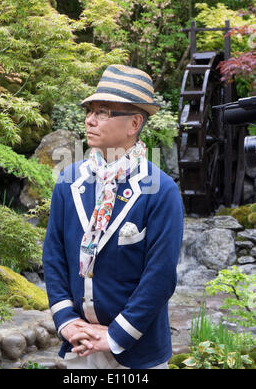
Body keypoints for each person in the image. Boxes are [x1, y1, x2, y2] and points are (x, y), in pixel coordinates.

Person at [42, 64, 184, 369]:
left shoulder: (161, 191)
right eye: (90, 110)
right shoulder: (68, 182)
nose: (89, 120)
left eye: (103, 112)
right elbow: (53, 256)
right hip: (79, 345)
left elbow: (160, 276)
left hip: (138, 351)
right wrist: (66, 320)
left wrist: (117, 334)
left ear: (134, 123)